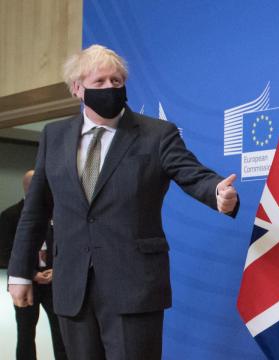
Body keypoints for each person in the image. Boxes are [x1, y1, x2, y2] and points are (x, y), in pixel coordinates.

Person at [8, 44, 239, 360]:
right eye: (100, 82)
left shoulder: (156, 134)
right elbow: (34, 212)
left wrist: (217, 193)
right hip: (73, 289)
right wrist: (20, 274)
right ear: (78, 88)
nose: (110, 89)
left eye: (116, 82)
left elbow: (191, 173)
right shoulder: (54, 136)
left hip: (134, 287)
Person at [1, 170, 67, 360]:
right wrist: (31, 274)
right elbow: (4, 254)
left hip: (54, 283)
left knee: (61, 333)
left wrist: (57, 270)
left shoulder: (58, 215)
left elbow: (67, 247)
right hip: (25, 283)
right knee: (26, 333)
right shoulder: (10, 216)